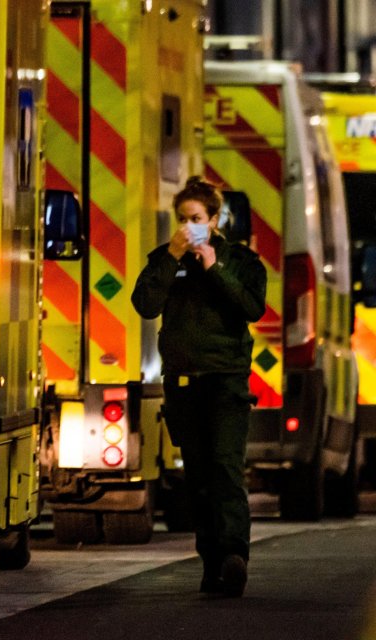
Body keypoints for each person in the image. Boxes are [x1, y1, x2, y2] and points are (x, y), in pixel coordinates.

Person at [131, 176, 267, 597]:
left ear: (214, 219)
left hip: (226, 382)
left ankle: (234, 556)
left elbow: (251, 307)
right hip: (183, 384)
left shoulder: (240, 262)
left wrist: (214, 267)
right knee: (199, 477)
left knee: (226, 468)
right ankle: (212, 563)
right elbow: (145, 304)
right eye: (183, 219)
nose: (190, 226)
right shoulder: (166, 260)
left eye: (197, 219)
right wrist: (172, 257)